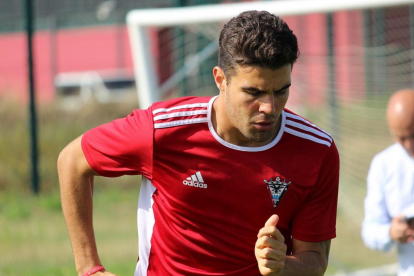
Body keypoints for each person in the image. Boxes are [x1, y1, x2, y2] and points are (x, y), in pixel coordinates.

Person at [58, 10, 339, 276]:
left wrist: (283, 267)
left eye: (281, 91)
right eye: (254, 92)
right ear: (220, 79)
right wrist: (89, 268)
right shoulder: (163, 130)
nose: (269, 106)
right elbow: (72, 161)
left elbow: (314, 259)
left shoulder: (317, 151)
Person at [361, 89, 414, 276]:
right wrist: (391, 232)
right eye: (401, 138)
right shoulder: (383, 165)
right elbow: (370, 230)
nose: (409, 145)